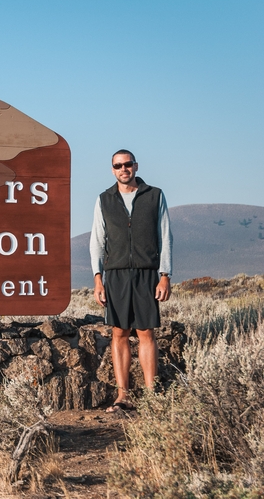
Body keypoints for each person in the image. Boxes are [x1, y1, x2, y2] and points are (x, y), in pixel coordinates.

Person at [90, 149, 172, 413]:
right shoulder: (104, 199)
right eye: (118, 165)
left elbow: (165, 236)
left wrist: (165, 275)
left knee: (146, 332)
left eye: (127, 164)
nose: (123, 169)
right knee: (119, 332)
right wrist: (98, 278)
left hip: (147, 273)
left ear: (135, 166)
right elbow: (97, 242)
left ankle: (151, 396)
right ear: (112, 169)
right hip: (115, 274)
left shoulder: (154, 195)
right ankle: (122, 396)